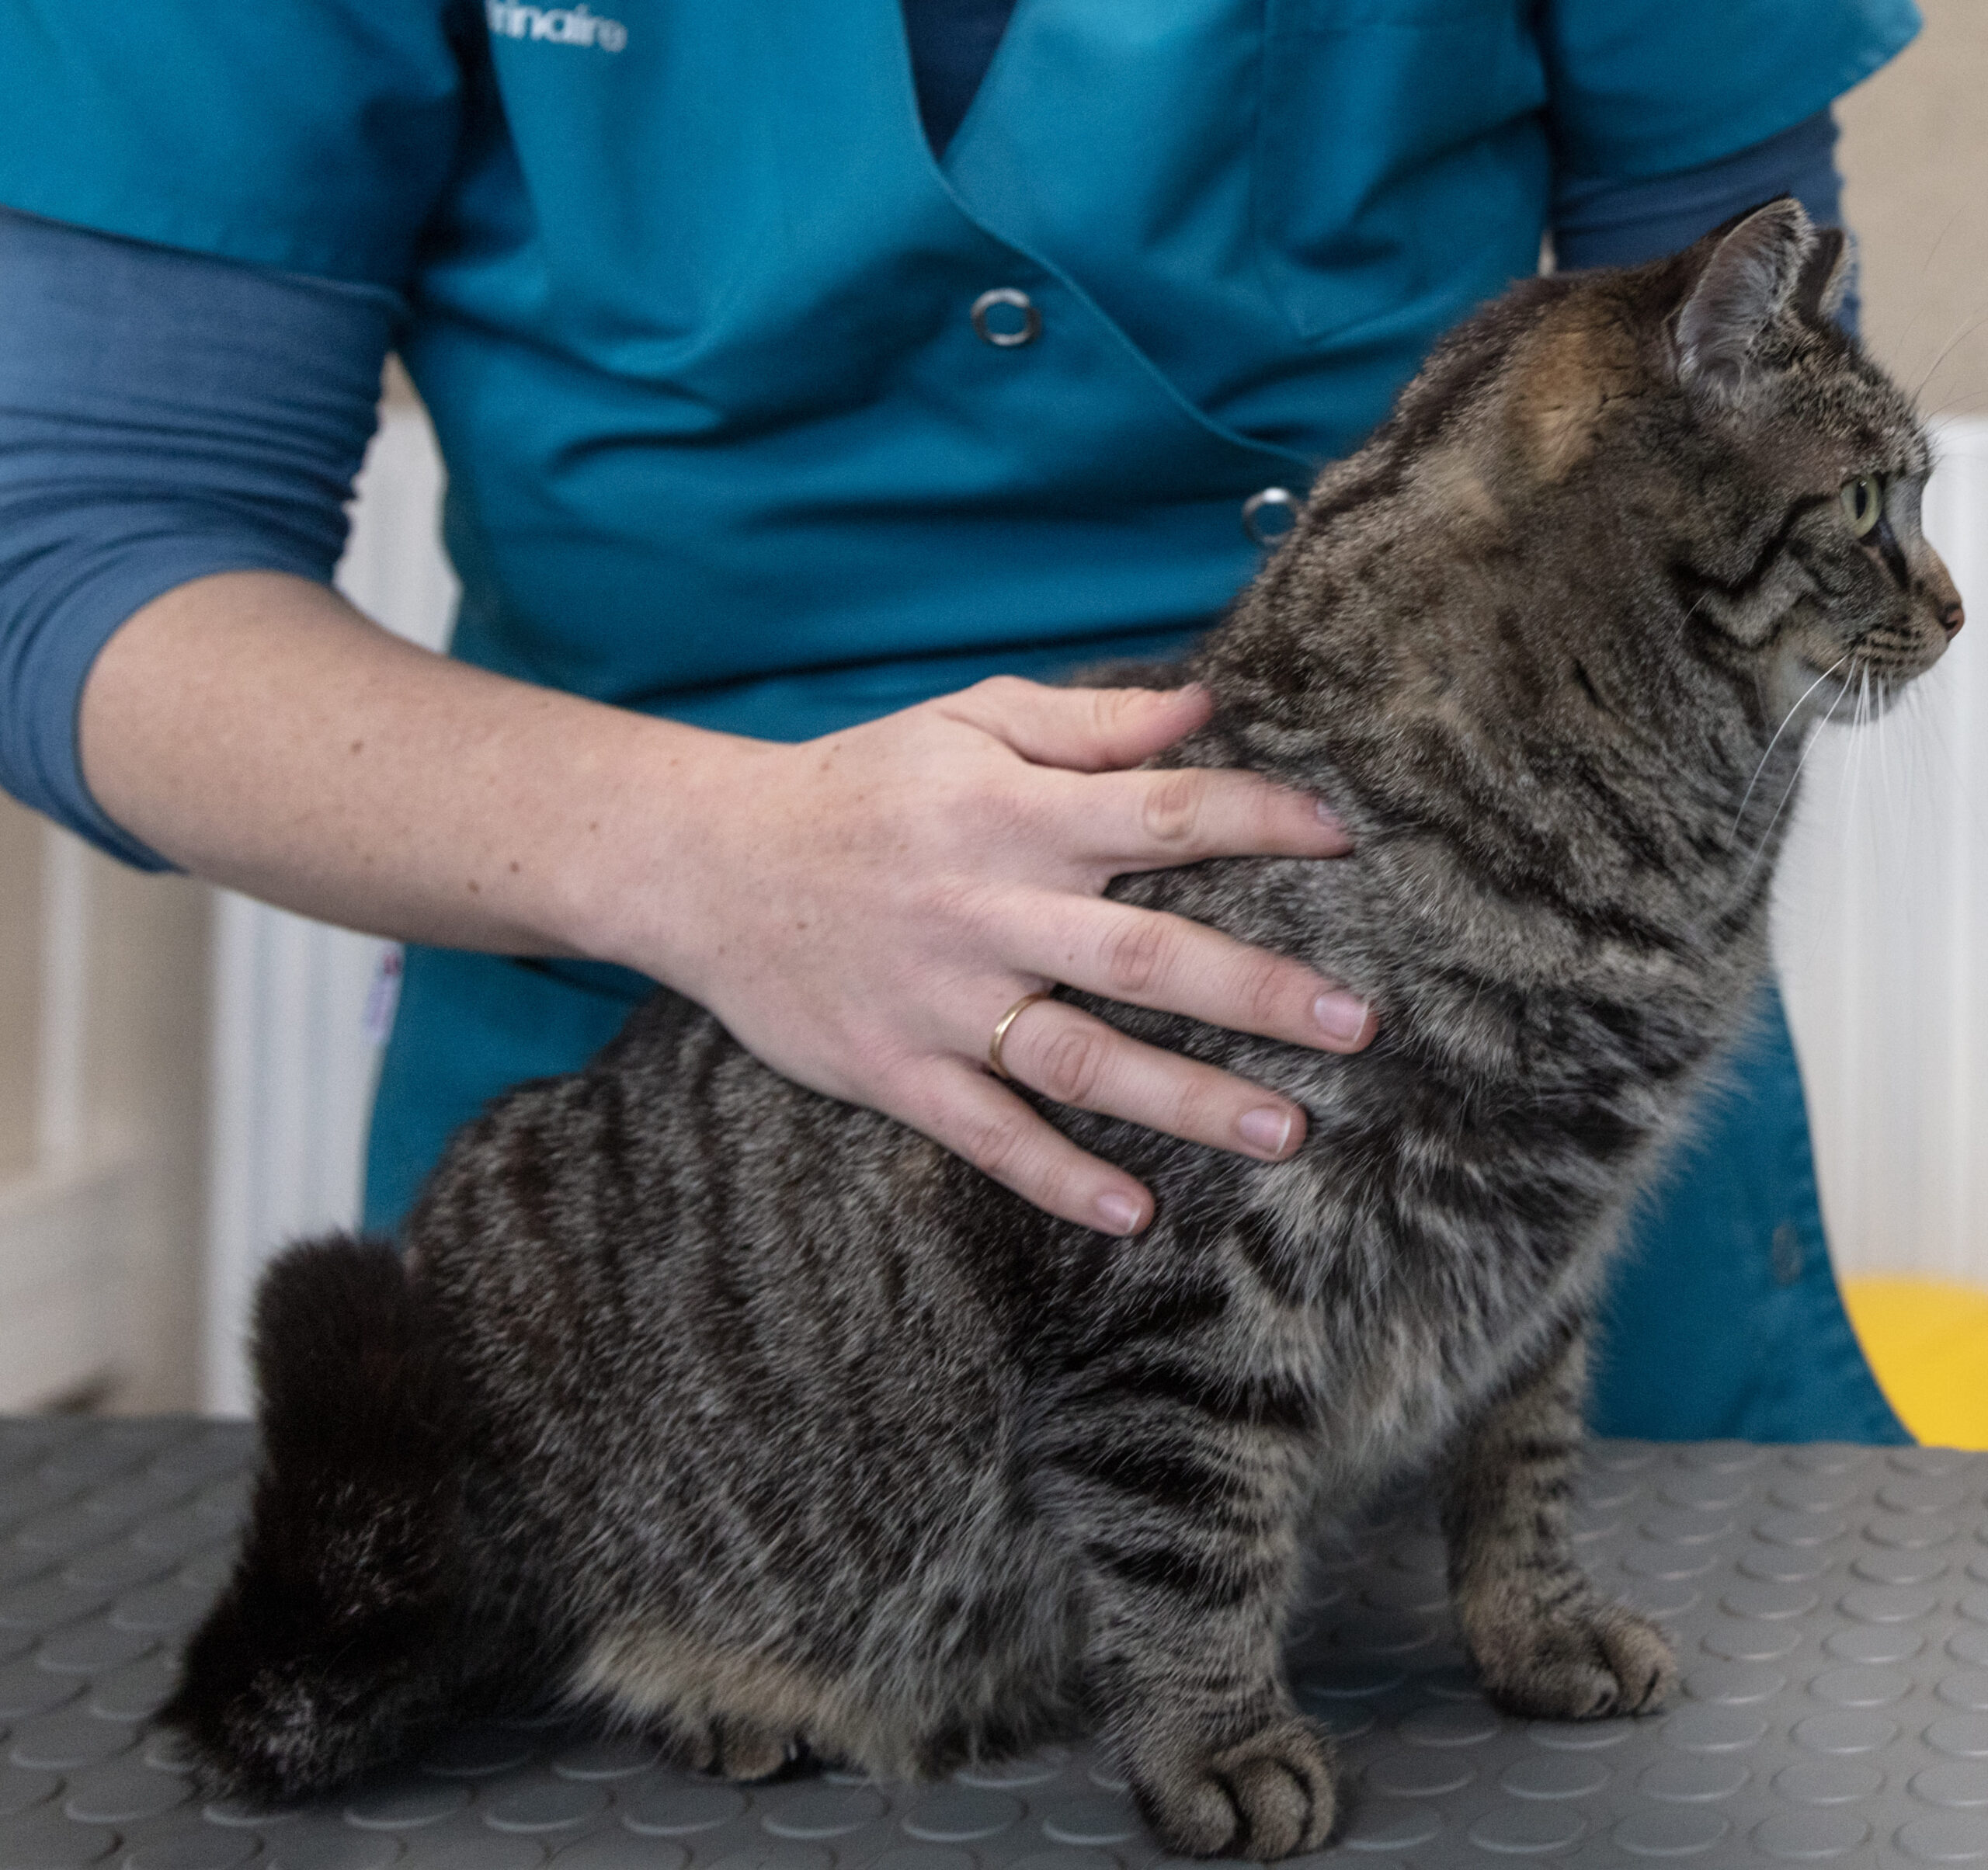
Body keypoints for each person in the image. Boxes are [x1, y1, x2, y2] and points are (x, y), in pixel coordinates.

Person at [0, 0, 1920, 1440]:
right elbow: (77, 545)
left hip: (1507, 1189)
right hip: (677, 1193)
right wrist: (697, 860)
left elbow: (1744, 398)